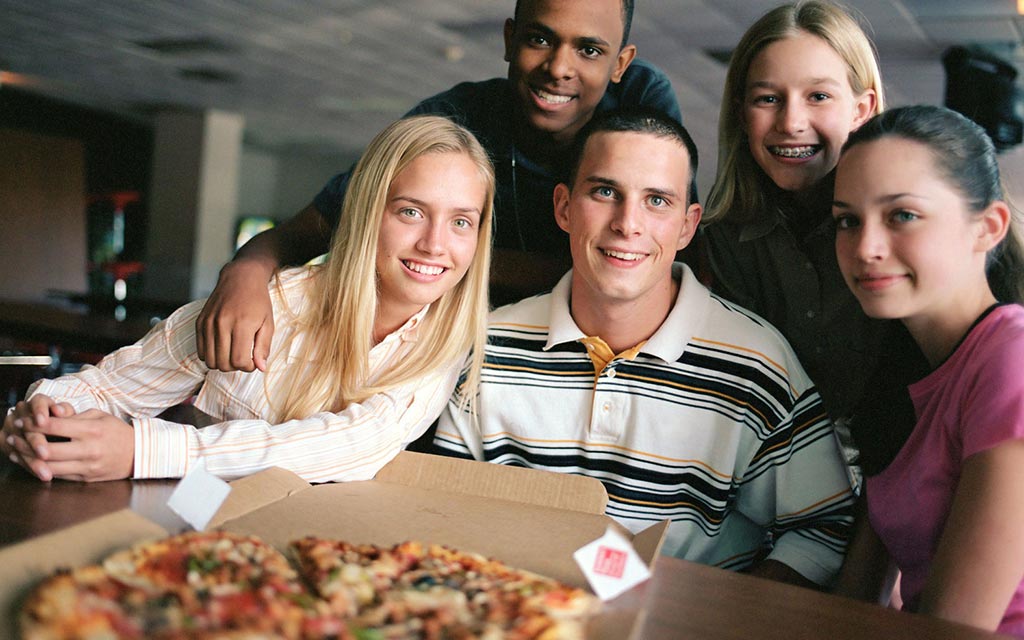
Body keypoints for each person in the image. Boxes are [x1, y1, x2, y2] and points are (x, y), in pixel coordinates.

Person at [435, 108, 854, 589]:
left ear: (687, 225)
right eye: (605, 192)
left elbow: (822, 527)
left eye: (657, 200)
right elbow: (447, 506)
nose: (627, 224)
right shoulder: (487, 348)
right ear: (564, 207)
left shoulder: (756, 365)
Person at [1, 115, 494, 484]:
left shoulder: (447, 344)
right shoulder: (272, 300)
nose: (434, 244)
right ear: (367, 214)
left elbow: (352, 444)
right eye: (411, 212)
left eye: (460, 221)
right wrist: (44, 420)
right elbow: (107, 388)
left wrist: (142, 450)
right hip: (197, 531)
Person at [198, 0, 682, 373]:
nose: (558, 67)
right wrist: (245, 271)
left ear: (621, 63)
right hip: (451, 359)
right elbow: (315, 230)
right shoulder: (455, 122)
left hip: (589, 354)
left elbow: (655, 268)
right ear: (510, 39)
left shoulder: (640, 105)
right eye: (540, 39)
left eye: (590, 50)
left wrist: (473, 266)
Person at [698, 1, 927, 477]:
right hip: (773, 474)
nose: (791, 122)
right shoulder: (722, 242)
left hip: (906, 471)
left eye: (818, 97)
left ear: (862, 109)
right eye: (767, 99)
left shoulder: (912, 230)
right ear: (741, 113)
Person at [830, 105, 1024, 635]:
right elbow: (856, 598)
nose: (865, 248)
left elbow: (953, 628)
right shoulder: (900, 368)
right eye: (848, 220)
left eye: (902, 215)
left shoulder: (1012, 356)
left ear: (988, 227)